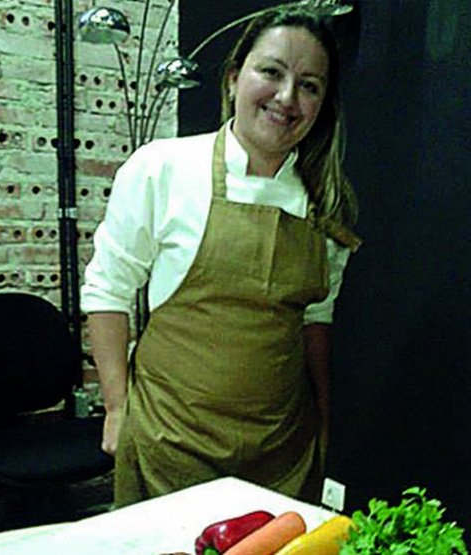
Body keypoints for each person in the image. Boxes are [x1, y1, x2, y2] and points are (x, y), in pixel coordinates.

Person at [81, 7, 361, 508]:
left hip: (281, 455)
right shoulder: (161, 169)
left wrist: (323, 422)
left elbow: (316, 322)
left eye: (309, 85)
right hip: (171, 443)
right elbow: (108, 290)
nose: (287, 97)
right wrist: (117, 409)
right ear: (234, 79)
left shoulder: (324, 205)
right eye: (271, 72)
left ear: (322, 103)